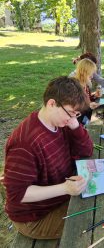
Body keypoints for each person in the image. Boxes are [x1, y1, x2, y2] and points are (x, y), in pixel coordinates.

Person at [3, 76, 93, 241]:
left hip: (59, 197)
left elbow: (87, 150)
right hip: (35, 217)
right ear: (52, 104)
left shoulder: (60, 123)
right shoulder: (25, 143)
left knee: (98, 206)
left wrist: (74, 125)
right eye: (71, 113)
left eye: (77, 114)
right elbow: (18, 194)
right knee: (91, 223)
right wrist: (65, 188)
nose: (72, 118)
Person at [75, 58, 101, 124]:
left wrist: (94, 95)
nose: (92, 77)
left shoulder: (85, 84)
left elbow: (87, 98)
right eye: (90, 74)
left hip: (87, 116)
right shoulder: (75, 87)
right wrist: (88, 106)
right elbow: (75, 109)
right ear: (84, 73)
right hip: (79, 121)